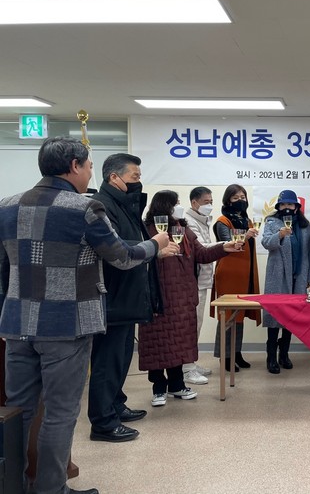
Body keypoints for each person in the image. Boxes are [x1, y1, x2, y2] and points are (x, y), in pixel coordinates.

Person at [0, 136, 170, 494]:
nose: (91, 171)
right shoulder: (84, 208)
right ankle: (50, 488)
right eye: (90, 165)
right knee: (60, 412)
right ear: (74, 166)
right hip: (66, 325)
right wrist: (155, 244)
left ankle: (16, 485)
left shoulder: (8, 205)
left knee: (19, 411)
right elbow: (122, 256)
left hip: (17, 324)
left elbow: (4, 269)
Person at [88, 153, 172, 443]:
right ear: (114, 177)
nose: (139, 181)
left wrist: (154, 251)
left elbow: (130, 244)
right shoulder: (101, 205)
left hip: (127, 295)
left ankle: (115, 404)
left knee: (122, 357)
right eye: (134, 176)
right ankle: (103, 422)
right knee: (107, 360)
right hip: (112, 296)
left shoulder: (124, 204)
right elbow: (116, 248)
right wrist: (153, 245)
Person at [140, 191, 240, 407]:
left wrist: (224, 248)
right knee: (157, 342)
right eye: (175, 203)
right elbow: (140, 258)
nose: (179, 207)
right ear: (163, 207)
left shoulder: (184, 230)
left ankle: (177, 385)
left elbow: (201, 254)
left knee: (179, 341)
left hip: (183, 296)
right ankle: (158, 388)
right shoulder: (149, 231)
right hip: (158, 296)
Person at [260, 190, 310, 374]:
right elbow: (266, 243)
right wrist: (280, 235)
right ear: (278, 207)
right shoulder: (272, 222)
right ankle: (271, 357)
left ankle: (284, 354)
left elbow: (309, 254)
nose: (287, 208)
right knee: (275, 316)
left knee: (291, 318)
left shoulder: (307, 228)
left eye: (290, 204)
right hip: (278, 277)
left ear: (296, 207)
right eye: (283, 205)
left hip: (298, 277)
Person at [212, 184, 260, 372]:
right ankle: (224, 356)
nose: (240, 201)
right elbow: (228, 243)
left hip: (245, 273)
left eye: (243, 197)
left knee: (239, 314)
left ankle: (236, 352)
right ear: (227, 201)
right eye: (235, 198)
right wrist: (246, 236)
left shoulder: (247, 220)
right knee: (227, 316)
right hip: (229, 273)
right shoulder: (222, 221)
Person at [183, 186, 216, 385]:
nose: (209, 205)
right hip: (193, 282)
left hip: (202, 281)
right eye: (206, 202)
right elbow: (201, 249)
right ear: (194, 203)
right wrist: (225, 244)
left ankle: (191, 363)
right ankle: (187, 369)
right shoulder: (188, 221)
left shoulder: (203, 220)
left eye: (211, 202)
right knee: (191, 326)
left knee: (197, 324)